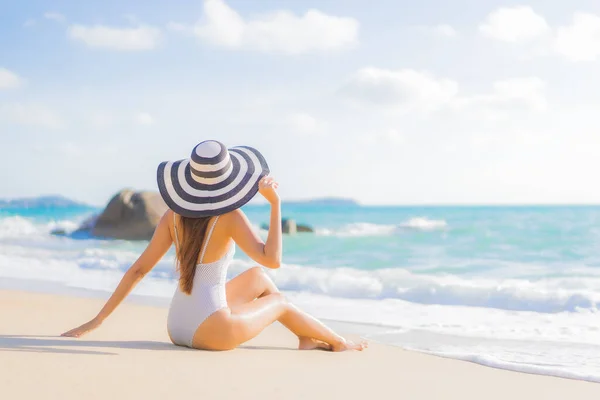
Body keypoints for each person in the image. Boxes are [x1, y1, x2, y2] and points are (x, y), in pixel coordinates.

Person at [62, 140, 367, 352]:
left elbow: (139, 269)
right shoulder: (230, 217)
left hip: (177, 327)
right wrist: (275, 205)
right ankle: (339, 342)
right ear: (229, 180)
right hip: (211, 333)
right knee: (281, 301)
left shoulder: (172, 215)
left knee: (259, 278)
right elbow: (273, 259)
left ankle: (306, 338)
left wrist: (97, 321)